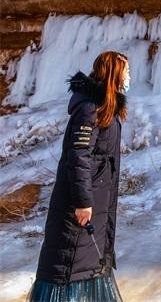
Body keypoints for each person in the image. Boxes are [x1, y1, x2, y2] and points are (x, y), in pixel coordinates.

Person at [29, 50, 129, 302]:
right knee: (67, 268)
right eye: (126, 72)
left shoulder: (105, 109)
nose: (129, 77)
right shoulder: (89, 110)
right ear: (114, 74)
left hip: (97, 206)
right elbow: (78, 156)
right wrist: (84, 202)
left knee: (89, 267)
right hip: (79, 209)